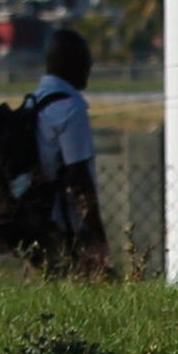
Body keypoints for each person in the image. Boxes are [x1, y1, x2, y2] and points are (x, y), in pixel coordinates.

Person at [21, 26, 110, 278]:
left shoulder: (34, 102)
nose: (90, 67)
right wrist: (97, 236)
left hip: (32, 220)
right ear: (70, 63)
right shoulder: (70, 108)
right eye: (85, 60)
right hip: (62, 225)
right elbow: (78, 177)